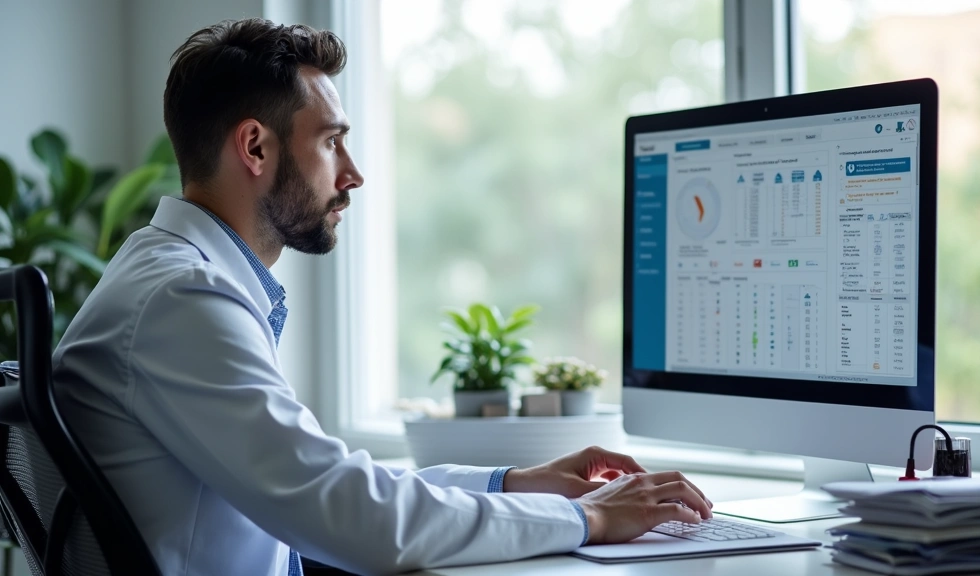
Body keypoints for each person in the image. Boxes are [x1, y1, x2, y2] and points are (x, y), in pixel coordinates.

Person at [51, 18, 712, 576]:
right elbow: (354, 517)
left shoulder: (167, 278)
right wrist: (589, 518)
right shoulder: (181, 298)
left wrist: (515, 483)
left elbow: (333, 483)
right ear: (254, 146)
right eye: (332, 141)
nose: (353, 173)